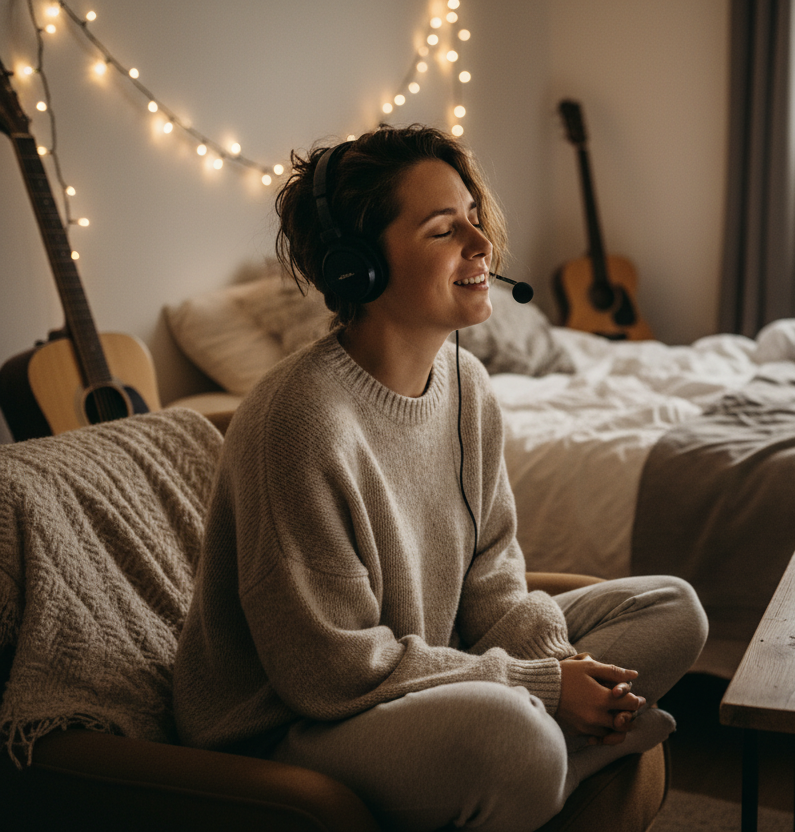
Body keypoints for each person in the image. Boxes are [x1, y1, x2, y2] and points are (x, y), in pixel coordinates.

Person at [172, 124, 708, 832]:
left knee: (672, 608)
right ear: (357, 268)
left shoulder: (468, 385)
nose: (482, 244)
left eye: (474, 218)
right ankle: (562, 760)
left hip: (429, 667)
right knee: (516, 742)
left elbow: (493, 580)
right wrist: (544, 688)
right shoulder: (297, 420)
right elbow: (329, 673)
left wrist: (555, 666)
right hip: (299, 724)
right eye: (443, 229)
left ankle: (553, 750)